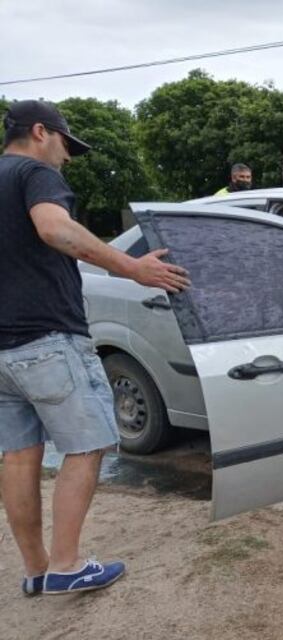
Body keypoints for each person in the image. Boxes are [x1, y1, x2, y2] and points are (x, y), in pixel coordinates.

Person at [0, 100, 190, 595]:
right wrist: (132, 268)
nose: (67, 157)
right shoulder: (34, 174)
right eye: (66, 145)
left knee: (19, 456)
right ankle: (67, 565)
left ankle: (38, 570)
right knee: (88, 445)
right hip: (46, 337)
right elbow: (54, 228)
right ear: (41, 132)